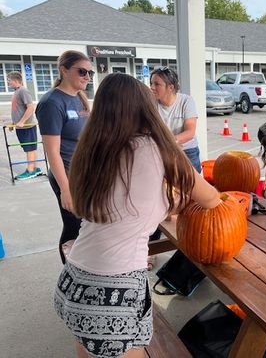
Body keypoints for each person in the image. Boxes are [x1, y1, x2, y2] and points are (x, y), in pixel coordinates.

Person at [53, 73, 221, 358]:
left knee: (89, 345)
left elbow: (123, 206)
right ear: (145, 109)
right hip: (114, 293)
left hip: (73, 281)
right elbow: (211, 198)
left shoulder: (92, 151)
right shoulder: (157, 149)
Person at [36, 50, 92, 264]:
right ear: (64, 70)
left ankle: (83, 269)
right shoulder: (52, 103)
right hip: (66, 176)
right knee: (74, 226)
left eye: (90, 72)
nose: (87, 76)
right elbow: (52, 152)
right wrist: (66, 190)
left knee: (86, 227)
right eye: (82, 71)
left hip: (83, 174)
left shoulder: (79, 98)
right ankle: (70, 274)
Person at [150, 66, 202, 172]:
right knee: (168, 184)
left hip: (187, 150)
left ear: (171, 87)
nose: (152, 87)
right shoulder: (152, 104)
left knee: (192, 184)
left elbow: (190, 132)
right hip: (164, 150)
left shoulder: (186, 101)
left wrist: (168, 141)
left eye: (157, 84)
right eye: (151, 83)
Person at [7, 71, 41, 180]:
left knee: (29, 148)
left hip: (27, 126)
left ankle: (30, 170)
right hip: (21, 127)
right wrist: (13, 123)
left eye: (9, 81)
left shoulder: (23, 91)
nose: (8, 83)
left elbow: (30, 107)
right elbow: (18, 110)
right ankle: (35, 168)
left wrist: (22, 122)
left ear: (15, 80)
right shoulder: (17, 92)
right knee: (30, 148)